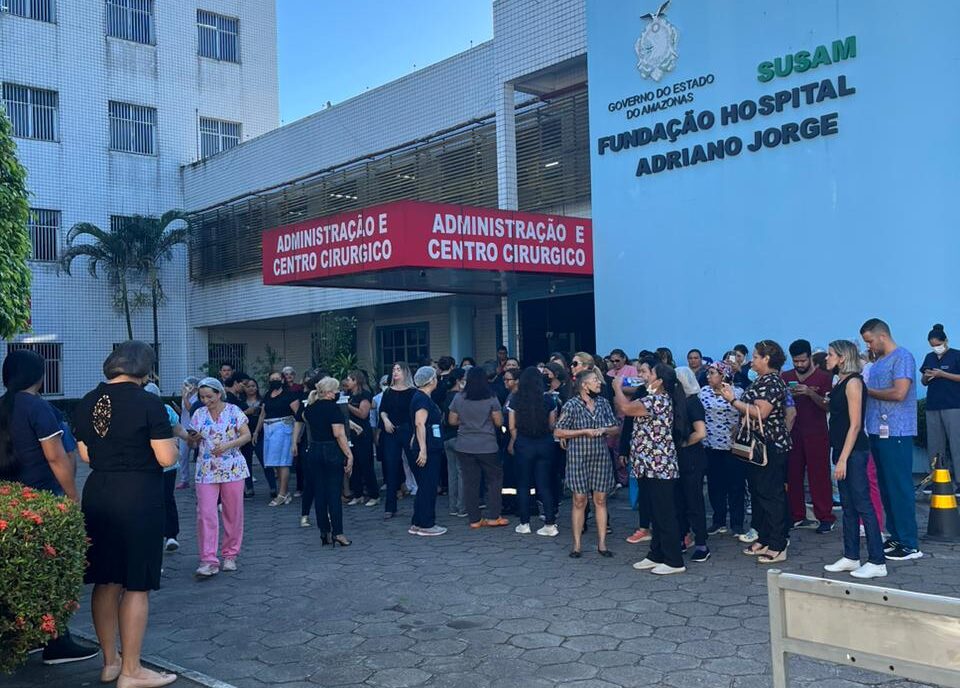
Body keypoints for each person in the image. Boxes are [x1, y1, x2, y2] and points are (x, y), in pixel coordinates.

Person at [73, 341, 179, 687]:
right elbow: (166, 458)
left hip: (99, 492)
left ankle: (110, 662)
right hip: (138, 495)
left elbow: (86, 455)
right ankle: (132, 670)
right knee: (136, 582)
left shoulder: (87, 401)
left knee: (106, 579)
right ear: (144, 369)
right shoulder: (149, 402)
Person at [0, 350, 98, 667]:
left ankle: (27, 638)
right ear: (39, 376)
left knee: (21, 573)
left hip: (11, 503)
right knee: (52, 572)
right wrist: (72, 496)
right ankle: (57, 641)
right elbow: (55, 457)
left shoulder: (3, 405)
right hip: (43, 501)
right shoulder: (38, 407)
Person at [720, 340, 792, 565]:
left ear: (767, 359)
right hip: (757, 445)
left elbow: (761, 412)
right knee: (759, 493)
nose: (752, 361)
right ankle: (765, 537)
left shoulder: (771, 381)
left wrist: (732, 400)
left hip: (770, 445)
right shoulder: (761, 380)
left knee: (771, 495)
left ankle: (778, 544)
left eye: (756, 357)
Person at [615, 363, 688, 575]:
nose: (646, 377)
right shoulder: (652, 398)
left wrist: (617, 387)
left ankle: (674, 560)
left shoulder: (658, 400)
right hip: (647, 465)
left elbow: (625, 408)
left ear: (660, 381)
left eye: (651, 374)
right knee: (655, 513)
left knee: (665, 514)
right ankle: (656, 554)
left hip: (659, 466)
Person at [823, 340, 887, 579]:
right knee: (848, 506)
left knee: (863, 505)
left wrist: (842, 459)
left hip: (854, 452)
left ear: (842, 358)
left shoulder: (854, 383)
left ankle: (877, 560)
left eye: (830, 354)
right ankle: (851, 556)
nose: (827, 358)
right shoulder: (839, 382)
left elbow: (856, 424)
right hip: (840, 449)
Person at [860, 318, 922, 561]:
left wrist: (866, 391)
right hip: (877, 430)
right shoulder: (878, 363)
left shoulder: (902, 357)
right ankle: (895, 535)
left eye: (870, 341)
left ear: (882, 336)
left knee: (899, 487)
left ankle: (909, 543)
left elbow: (899, 393)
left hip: (897, 431)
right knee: (886, 488)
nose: (869, 346)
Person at [188, 377, 250, 576]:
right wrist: (193, 439)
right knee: (205, 513)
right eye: (202, 397)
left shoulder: (234, 411)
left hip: (233, 467)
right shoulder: (198, 414)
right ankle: (208, 559)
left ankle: (230, 554)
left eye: (209, 396)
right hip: (206, 469)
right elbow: (191, 443)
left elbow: (246, 435)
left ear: (219, 394)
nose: (206, 401)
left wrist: (227, 445)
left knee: (233, 513)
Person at [555, 369, 618, 558]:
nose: (599, 383)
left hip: (600, 457)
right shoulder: (572, 405)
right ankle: (576, 545)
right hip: (578, 457)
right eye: (594, 380)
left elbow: (616, 428)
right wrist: (584, 431)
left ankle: (602, 544)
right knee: (579, 500)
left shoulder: (603, 403)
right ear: (584, 385)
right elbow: (559, 431)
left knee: (600, 499)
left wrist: (605, 430)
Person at [782, 339, 836, 533]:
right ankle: (796, 514)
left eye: (803, 361)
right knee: (793, 475)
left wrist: (810, 394)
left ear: (810, 357)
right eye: (796, 361)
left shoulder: (824, 378)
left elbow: (829, 406)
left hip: (817, 433)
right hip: (793, 432)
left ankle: (825, 516)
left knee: (819, 476)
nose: (799, 364)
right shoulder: (786, 376)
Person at [295, 377, 353, 545]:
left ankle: (324, 531)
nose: (338, 392)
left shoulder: (310, 408)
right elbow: (338, 434)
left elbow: (304, 419)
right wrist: (349, 454)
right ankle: (338, 532)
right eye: (336, 390)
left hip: (314, 450)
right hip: (331, 450)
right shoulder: (334, 409)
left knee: (319, 493)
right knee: (334, 493)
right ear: (329, 392)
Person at [449, 366, 507, 528]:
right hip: (487, 445)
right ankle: (494, 516)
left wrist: (466, 422)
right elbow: (499, 422)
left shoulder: (459, 397)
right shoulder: (491, 397)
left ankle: (474, 519)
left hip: (464, 445)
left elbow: (452, 420)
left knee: (470, 482)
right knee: (494, 480)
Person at [507, 366, 559, 536]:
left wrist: (516, 441)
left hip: (524, 443)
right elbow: (552, 425)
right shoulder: (549, 400)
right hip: (545, 444)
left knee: (523, 484)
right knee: (544, 484)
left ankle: (524, 523)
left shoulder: (515, 399)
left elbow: (511, 426)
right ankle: (550, 523)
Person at [700, 361, 746, 537]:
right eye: (708, 373)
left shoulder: (737, 392)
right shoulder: (703, 392)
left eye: (713, 373)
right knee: (715, 484)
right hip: (711, 445)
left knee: (736, 485)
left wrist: (739, 425)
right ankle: (718, 520)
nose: (709, 376)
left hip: (734, 446)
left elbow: (746, 413)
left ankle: (737, 523)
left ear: (723, 375)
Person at [143, 383, 188, 554]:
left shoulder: (165, 410)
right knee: (164, 499)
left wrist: (190, 438)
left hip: (157, 465)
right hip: (158, 464)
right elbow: (180, 432)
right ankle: (167, 535)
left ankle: (168, 535)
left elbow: (180, 431)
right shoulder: (163, 409)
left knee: (162, 499)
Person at [406, 366, 447, 536]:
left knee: (424, 485)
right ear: (431, 381)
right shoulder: (422, 400)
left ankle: (418, 521)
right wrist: (423, 449)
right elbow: (419, 423)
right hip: (428, 447)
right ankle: (426, 523)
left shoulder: (420, 397)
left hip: (428, 445)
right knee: (428, 486)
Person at [674, 367, 709, 562]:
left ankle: (702, 543)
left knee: (693, 501)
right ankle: (683, 536)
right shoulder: (677, 402)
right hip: (679, 459)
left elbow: (701, 432)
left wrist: (683, 444)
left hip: (692, 458)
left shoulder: (693, 402)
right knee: (679, 501)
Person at [921, 323, 960, 486]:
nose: (936, 348)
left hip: (953, 405)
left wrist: (943, 374)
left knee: (956, 444)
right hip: (933, 405)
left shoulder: (956, 355)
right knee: (935, 445)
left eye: (938, 345)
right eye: (933, 346)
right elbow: (923, 381)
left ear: (945, 341)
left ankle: (959, 481)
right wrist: (927, 376)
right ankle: (936, 479)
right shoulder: (929, 357)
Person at [253, 371, 300, 506]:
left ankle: (282, 494)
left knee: (283, 461)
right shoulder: (268, 395)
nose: (275, 381)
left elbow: (298, 415)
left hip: (283, 428)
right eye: (272, 379)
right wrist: (256, 431)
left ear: (282, 380)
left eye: (277, 378)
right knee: (275, 462)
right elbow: (263, 414)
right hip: (269, 429)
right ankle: (284, 491)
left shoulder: (289, 395)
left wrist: (297, 435)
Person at [379, 362, 417, 518]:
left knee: (414, 463)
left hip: (407, 430)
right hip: (391, 431)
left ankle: (421, 501)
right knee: (391, 466)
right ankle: (390, 507)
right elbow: (382, 410)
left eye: (398, 370)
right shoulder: (388, 392)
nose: (395, 372)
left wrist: (415, 434)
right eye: (394, 369)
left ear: (405, 372)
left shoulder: (413, 392)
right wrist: (386, 420)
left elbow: (416, 414)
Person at [341, 370, 378, 507]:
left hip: (362, 433)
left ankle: (374, 495)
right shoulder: (348, 395)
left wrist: (347, 406)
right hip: (350, 433)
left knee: (365, 464)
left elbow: (363, 414)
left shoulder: (365, 395)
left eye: (349, 379)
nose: (347, 382)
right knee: (354, 464)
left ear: (356, 381)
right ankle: (358, 494)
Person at [440, 369, 466, 516]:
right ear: (459, 380)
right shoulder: (460, 397)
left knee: (452, 473)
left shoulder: (446, 396)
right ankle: (462, 507)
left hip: (447, 438)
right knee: (462, 472)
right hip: (459, 437)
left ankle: (452, 507)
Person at [175, 376, 199, 489]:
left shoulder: (198, 397)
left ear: (194, 386)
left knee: (199, 455)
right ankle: (184, 480)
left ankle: (199, 479)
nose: (184, 387)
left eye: (187, 385)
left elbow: (190, 409)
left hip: (194, 429)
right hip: (184, 428)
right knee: (183, 455)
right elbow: (184, 412)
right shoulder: (187, 396)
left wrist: (185, 396)